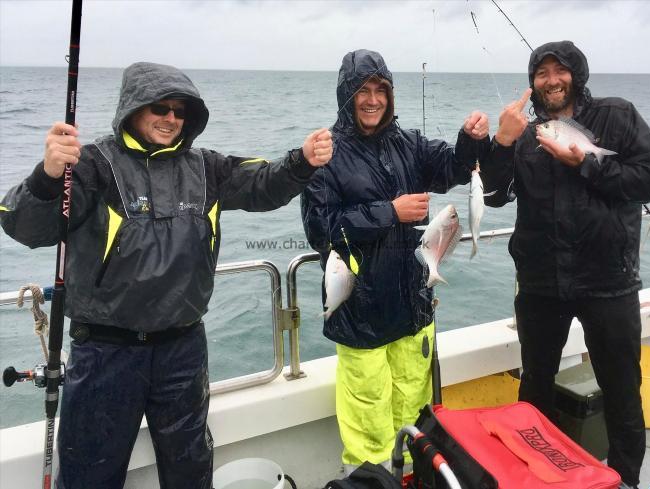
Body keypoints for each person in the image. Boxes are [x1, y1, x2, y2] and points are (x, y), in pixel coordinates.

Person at [0, 61, 332, 489]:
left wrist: (301, 162)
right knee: (89, 474)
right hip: (105, 353)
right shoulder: (93, 167)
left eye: (180, 111)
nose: (171, 118)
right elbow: (24, 226)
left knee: (190, 471)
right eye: (160, 107)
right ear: (133, 109)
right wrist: (46, 178)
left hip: (183, 349)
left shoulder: (207, 168)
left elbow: (262, 185)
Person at [480, 41, 650, 489]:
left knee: (622, 389)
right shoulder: (525, 135)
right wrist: (501, 142)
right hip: (541, 282)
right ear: (532, 82)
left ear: (576, 74)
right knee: (534, 387)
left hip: (609, 280)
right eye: (541, 73)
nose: (551, 80)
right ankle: (534, 478)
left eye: (559, 71)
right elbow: (492, 196)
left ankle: (624, 480)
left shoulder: (616, 116)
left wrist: (586, 164)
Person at [301, 49, 490, 474]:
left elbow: (452, 169)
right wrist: (390, 211)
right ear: (346, 96)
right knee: (368, 432)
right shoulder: (326, 154)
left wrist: (470, 137)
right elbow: (321, 232)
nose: (372, 100)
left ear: (390, 95)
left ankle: (410, 480)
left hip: (414, 312)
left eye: (380, 90)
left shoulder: (409, 143)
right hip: (361, 317)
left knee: (414, 421)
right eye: (362, 91)